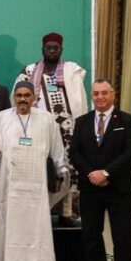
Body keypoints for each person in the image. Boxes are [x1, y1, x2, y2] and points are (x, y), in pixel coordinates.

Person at [0, 81, 68, 261]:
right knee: (7, 228)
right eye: (19, 95)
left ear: (34, 97)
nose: (23, 99)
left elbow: (57, 149)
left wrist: (60, 171)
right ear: (14, 97)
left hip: (36, 188)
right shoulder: (1, 118)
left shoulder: (46, 119)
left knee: (36, 230)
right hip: (9, 186)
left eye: (27, 95)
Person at [69, 79, 131, 261]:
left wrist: (106, 173)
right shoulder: (82, 122)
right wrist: (92, 174)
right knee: (91, 234)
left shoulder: (127, 120)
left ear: (113, 94)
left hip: (119, 188)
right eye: (96, 93)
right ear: (92, 96)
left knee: (122, 236)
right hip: (91, 188)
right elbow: (74, 153)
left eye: (104, 93)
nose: (100, 97)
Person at [16, 32, 87, 224]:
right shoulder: (30, 71)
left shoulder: (71, 70)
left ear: (61, 50)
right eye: (49, 48)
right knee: (40, 168)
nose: (52, 51)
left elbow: (80, 100)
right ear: (43, 49)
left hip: (68, 131)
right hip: (39, 130)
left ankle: (67, 213)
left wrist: (81, 128)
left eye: (56, 48)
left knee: (68, 169)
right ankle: (40, 212)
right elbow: (18, 99)